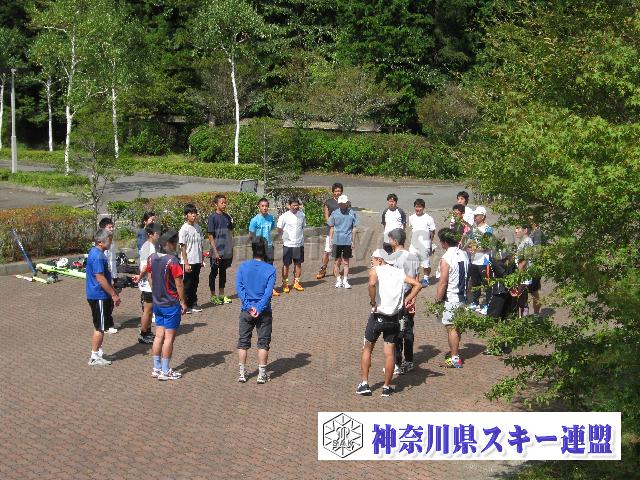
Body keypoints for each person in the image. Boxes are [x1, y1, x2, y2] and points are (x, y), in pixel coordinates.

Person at [356, 249, 422, 397]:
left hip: (378, 316)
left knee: (367, 348)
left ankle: (365, 384)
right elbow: (417, 285)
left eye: (373, 258)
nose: (371, 261)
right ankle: (386, 387)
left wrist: (373, 301)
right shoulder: (398, 272)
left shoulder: (375, 270)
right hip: (393, 318)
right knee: (389, 353)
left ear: (380, 260)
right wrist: (406, 300)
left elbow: (372, 284)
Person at [146, 230, 187, 381]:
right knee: (169, 338)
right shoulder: (172, 261)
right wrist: (183, 302)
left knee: (158, 336)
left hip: (157, 303)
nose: (176, 246)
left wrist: (156, 293)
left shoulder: (152, 258)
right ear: (168, 243)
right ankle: (165, 370)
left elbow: (150, 278)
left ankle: (156, 368)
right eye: (175, 243)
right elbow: (179, 284)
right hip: (170, 304)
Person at [236, 237, 277, 384]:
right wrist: (259, 308)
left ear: (252, 249)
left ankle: (242, 374)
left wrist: (248, 307)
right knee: (263, 342)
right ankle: (261, 375)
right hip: (264, 311)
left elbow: (240, 289)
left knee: (243, 342)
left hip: (246, 311)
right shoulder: (271, 269)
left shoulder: (243, 267)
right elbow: (268, 293)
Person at [86, 228, 121, 366]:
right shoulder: (98, 256)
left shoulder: (96, 253)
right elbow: (100, 278)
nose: (110, 243)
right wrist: (113, 294)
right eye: (108, 241)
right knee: (100, 327)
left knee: (100, 325)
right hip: (98, 295)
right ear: (100, 242)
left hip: (98, 295)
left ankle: (98, 353)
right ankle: (94, 357)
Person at [387, 228, 421, 375]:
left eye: (390, 239)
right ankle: (409, 361)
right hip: (409, 295)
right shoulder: (413, 257)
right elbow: (417, 279)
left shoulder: (392, 258)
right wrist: (413, 298)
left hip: (397, 297)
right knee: (407, 330)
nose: (389, 241)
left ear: (395, 241)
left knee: (396, 330)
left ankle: (398, 363)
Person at [435, 227, 469, 368]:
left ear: (445, 242)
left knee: (451, 327)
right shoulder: (464, 254)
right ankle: (455, 353)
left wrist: (438, 300)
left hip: (451, 297)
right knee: (457, 326)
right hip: (462, 296)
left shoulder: (446, 259)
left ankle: (455, 358)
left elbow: (443, 282)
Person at [248, 198, 279, 297]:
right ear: (259, 207)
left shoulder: (271, 218)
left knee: (269, 268)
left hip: (269, 246)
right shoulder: (254, 220)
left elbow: (272, 228)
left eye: (266, 206)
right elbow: (251, 235)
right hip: (258, 248)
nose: (264, 208)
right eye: (262, 206)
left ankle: (271, 288)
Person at [207, 194, 234, 305]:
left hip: (226, 251)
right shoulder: (212, 218)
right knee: (213, 273)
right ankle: (213, 296)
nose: (224, 204)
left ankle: (221, 295)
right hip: (216, 252)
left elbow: (230, 232)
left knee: (223, 273)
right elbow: (210, 236)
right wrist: (215, 252)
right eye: (222, 203)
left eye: (225, 202)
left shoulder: (227, 217)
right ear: (216, 204)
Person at [136, 222, 161, 344]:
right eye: (156, 233)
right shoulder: (147, 247)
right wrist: (140, 277)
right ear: (150, 234)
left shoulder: (152, 245)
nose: (158, 235)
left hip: (150, 282)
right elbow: (145, 266)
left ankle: (148, 331)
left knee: (150, 310)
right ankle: (143, 333)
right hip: (147, 284)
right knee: (148, 310)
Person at [467, 206, 494, 314]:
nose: (475, 217)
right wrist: (469, 248)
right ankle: (475, 302)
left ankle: (487, 305)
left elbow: (487, 246)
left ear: (483, 216)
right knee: (475, 283)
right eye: (474, 215)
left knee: (486, 284)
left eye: (477, 215)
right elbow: (470, 242)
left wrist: (476, 249)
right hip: (474, 260)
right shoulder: (474, 228)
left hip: (484, 261)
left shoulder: (488, 229)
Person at [328, 194, 357, 289]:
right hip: (337, 241)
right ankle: (338, 280)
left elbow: (354, 228)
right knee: (337, 262)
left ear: (347, 203)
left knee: (346, 262)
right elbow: (332, 227)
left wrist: (353, 241)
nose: (342, 205)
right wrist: (330, 241)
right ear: (338, 204)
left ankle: (345, 280)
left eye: (344, 203)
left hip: (347, 241)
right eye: (340, 203)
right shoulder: (334, 213)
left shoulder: (352, 213)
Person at [277, 197, 306, 293]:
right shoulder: (284, 216)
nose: (295, 207)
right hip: (288, 245)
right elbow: (279, 229)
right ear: (289, 206)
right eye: (293, 205)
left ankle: (296, 282)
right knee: (286, 265)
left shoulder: (302, 215)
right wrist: (285, 237)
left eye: (297, 205)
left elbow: (302, 227)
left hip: (299, 244)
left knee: (298, 264)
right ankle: (285, 283)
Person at [179, 203, 204, 314]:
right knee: (187, 284)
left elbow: (200, 244)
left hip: (197, 260)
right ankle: (184, 304)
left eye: (195, 213)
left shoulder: (198, 227)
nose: (194, 215)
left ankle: (193, 303)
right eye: (191, 213)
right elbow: (183, 247)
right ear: (186, 215)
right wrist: (186, 263)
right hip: (188, 261)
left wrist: (202, 259)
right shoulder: (184, 229)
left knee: (195, 282)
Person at [316, 183, 343, 280]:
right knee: (327, 251)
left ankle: (336, 269)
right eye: (336, 191)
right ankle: (323, 269)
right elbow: (327, 217)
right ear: (332, 192)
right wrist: (332, 226)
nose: (337, 193)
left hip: (342, 231)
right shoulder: (328, 202)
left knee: (339, 252)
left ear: (342, 191)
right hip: (332, 230)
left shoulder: (346, 202)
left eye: (339, 191)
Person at [408, 198, 436, 288]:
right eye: (416, 207)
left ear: (423, 208)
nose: (418, 209)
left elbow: (432, 231)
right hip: (413, 244)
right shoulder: (411, 217)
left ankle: (426, 279)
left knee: (425, 264)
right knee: (412, 262)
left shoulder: (428, 218)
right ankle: (415, 280)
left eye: (420, 207)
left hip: (425, 245)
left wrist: (430, 243)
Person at [98, 217, 119, 334]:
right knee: (107, 300)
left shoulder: (111, 241)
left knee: (111, 300)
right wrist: (109, 277)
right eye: (109, 227)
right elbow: (104, 263)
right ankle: (105, 325)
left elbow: (112, 261)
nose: (112, 229)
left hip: (112, 273)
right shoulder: (101, 244)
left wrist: (114, 275)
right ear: (103, 228)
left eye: (112, 227)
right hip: (106, 275)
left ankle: (109, 322)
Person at [514, 224, 534, 317]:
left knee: (520, 298)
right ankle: (522, 318)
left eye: (518, 229)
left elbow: (524, 262)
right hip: (522, 276)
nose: (516, 231)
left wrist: (518, 276)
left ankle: (522, 319)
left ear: (525, 230)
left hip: (522, 276)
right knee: (522, 299)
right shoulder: (524, 242)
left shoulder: (527, 242)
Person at [528, 216, 545, 314]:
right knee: (532, 291)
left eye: (531, 219)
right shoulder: (531, 231)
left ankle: (536, 314)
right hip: (530, 265)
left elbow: (537, 251)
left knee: (534, 291)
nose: (529, 220)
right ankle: (534, 314)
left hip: (533, 266)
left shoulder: (537, 232)